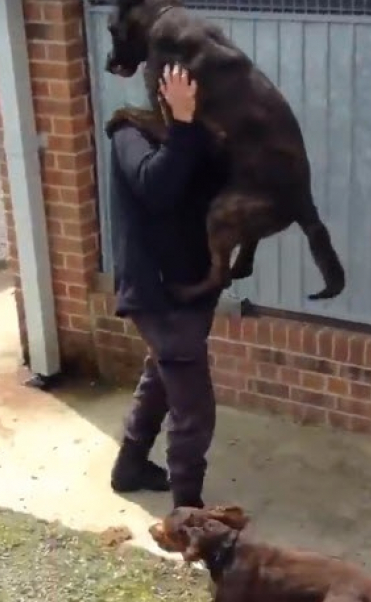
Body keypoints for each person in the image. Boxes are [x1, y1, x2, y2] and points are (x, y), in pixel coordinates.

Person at [107, 64, 227, 509]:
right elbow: (155, 187)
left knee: (161, 377)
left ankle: (130, 466)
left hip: (193, 289)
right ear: (165, 89)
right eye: (189, 92)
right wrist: (181, 123)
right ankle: (188, 514)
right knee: (194, 409)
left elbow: (214, 194)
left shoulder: (198, 136)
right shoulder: (129, 133)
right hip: (158, 294)